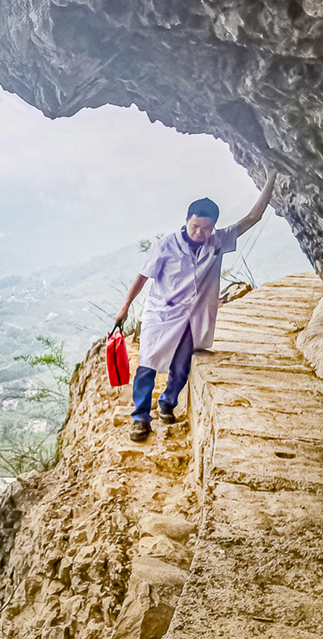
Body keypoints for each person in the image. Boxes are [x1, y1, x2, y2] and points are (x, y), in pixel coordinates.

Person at [114, 172, 278, 442]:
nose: (201, 233)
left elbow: (253, 218)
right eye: (195, 227)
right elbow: (142, 277)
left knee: (182, 366)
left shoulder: (218, 241)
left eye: (206, 228)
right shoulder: (164, 247)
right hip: (161, 315)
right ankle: (140, 418)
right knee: (147, 365)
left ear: (214, 226)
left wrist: (270, 181)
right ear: (186, 221)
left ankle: (167, 403)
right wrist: (125, 308)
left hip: (193, 317)